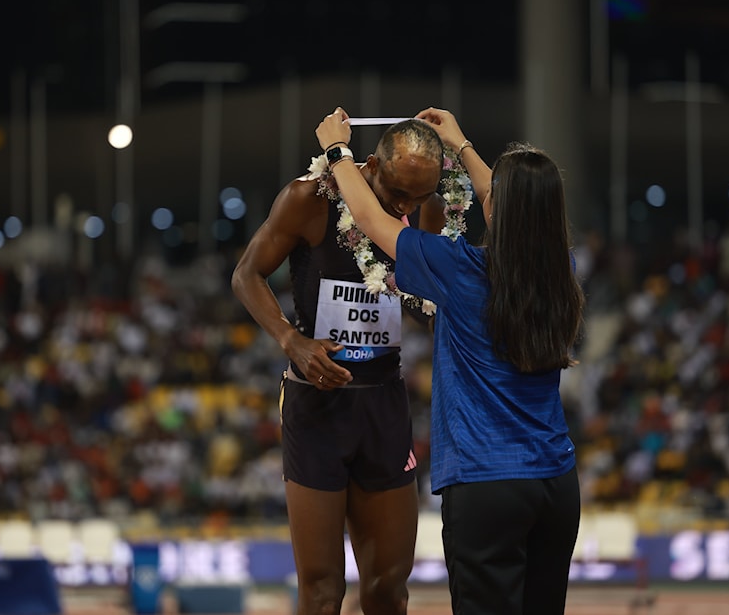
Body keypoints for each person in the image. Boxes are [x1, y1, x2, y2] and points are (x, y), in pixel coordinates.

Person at [315, 106, 585, 615]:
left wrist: (338, 152)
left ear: (499, 206)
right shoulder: (562, 270)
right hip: (556, 484)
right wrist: (460, 143)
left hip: (486, 486)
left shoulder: (460, 270)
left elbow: (372, 220)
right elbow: (503, 201)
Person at [231, 116, 447, 615]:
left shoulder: (426, 210)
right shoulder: (310, 199)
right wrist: (291, 339)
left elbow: (424, 299)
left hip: (384, 404)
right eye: (396, 192)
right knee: (324, 591)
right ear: (369, 165)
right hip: (317, 405)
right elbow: (247, 273)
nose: (403, 209)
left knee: (389, 590)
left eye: (418, 197)